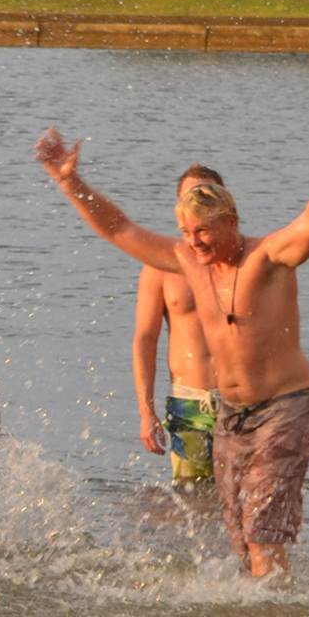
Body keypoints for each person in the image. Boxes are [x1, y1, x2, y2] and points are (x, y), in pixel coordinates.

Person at [37, 123, 309, 578]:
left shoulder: (268, 259)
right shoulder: (188, 262)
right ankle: (263, 616)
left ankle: (270, 615)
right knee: (239, 540)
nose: (192, 242)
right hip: (230, 417)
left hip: (283, 411)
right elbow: (119, 229)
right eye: (185, 232)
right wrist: (70, 183)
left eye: (203, 231)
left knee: (263, 534)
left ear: (231, 221)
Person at [133, 164, 225, 488]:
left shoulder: (242, 262)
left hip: (241, 402)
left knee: (249, 500)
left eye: (207, 195)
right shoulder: (161, 267)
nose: (198, 203)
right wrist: (146, 411)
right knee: (193, 500)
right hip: (190, 404)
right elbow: (145, 339)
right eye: (191, 197)